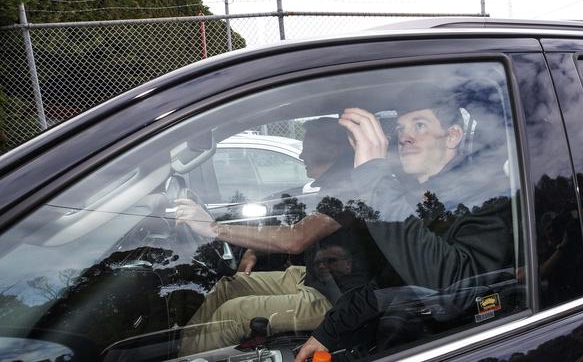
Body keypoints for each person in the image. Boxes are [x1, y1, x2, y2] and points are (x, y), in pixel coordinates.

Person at [295, 87, 514, 361]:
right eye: (400, 128)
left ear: (453, 136)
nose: (405, 137)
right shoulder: (422, 199)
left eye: (419, 125)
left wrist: (373, 175)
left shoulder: (485, 199)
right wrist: (327, 333)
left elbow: (454, 291)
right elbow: (383, 285)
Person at [175, 118, 388, 354]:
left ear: (333, 149)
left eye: (308, 147)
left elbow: (296, 238)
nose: (301, 155)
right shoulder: (333, 186)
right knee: (229, 286)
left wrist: (214, 228)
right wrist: (255, 249)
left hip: (337, 298)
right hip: (314, 277)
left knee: (232, 314)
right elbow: (297, 227)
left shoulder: (351, 190)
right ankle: (184, 352)